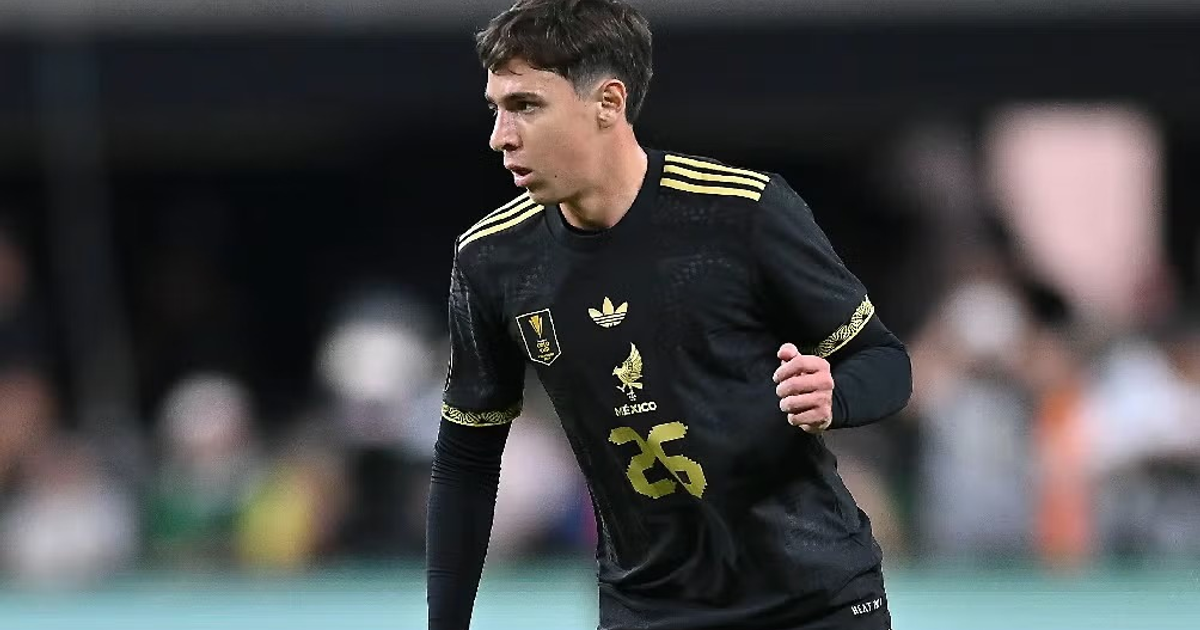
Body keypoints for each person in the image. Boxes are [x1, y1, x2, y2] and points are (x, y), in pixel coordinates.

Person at [426, 1, 913, 629]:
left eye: (525, 106)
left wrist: (834, 394)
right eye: (495, 108)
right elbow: (468, 453)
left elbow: (885, 361)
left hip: (811, 602)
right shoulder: (493, 259)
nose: (500, 135)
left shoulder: (743, 214)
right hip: (648, 611)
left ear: (607, 102)